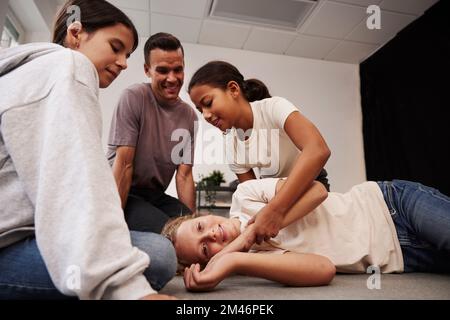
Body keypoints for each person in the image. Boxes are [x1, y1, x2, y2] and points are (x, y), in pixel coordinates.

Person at [0, 0, 176, 300]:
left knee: (150, 247)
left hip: (20, 232)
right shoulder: (70, 64)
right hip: (8, 247)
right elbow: (73, 181)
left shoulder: (36, 71)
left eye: (128, 55)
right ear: (76, 33)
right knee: (158, 256)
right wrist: (126, 288)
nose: (123, 63)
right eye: (116, 47)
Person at [162, 178, 450, 291]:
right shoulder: (259, 263)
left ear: (202, 216)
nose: (212, 235)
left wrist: (251, 233)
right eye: (204, 249)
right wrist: (236, 260)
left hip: (392, 205)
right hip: (403, 255)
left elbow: (317, 191)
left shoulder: (245, 195)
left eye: (201, 227)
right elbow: (323, 269)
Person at [188, 61, 331, 246]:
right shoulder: (230, 144)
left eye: (207, 103)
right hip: (273, 196)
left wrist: (275, 211)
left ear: (233, 89)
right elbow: (252, 195)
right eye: (200, 110)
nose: (205, 115)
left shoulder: (274, 107)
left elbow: (318, 150)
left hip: (310, 187)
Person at [107, 32, 198, 234]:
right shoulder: (134, 98)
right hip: (122, 189)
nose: (172, 78)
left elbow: (184, 175)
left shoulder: (189, 116)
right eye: (163, 70)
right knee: (169, 232)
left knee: (187, 226)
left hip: (155, 194)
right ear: (148, 70)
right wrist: (111, 225)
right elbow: (124, 165)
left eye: (178, 70)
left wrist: (194, 225)